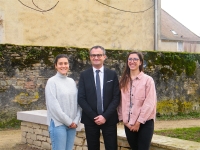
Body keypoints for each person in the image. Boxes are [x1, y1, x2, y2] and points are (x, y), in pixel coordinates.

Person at [78, 45, 120, 150]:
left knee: (111, 147)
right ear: (90, 57)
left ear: (104, 57)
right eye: (93, 55)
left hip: (109, 118)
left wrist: (104, 116)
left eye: (99, 55)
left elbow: (116, 97)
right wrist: (94, 117)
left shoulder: (112, 74)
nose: (96, 57)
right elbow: (81, 98)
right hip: (90, 119)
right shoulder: (84, 75)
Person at [118, 51, 157, 150]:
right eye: (130, 59)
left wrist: (138, 122)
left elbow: (150, 102)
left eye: (135, 59)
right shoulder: (123, 81)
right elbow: (120, 102)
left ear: (140, 62)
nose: (132, 61)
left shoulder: (148, 80)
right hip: (128, 124)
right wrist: (124, 120)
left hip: (145, 123)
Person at [45, 54, 81, 150]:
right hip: (58, 124)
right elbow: (53, 106)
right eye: (60, 63)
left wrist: (76, 120)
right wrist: (68, 121)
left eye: (65, 63)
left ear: (69, 65)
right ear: (56, 66)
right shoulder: (51, 82)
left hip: (72, 125)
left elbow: (77, 102)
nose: (63, 66)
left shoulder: (71, 81)